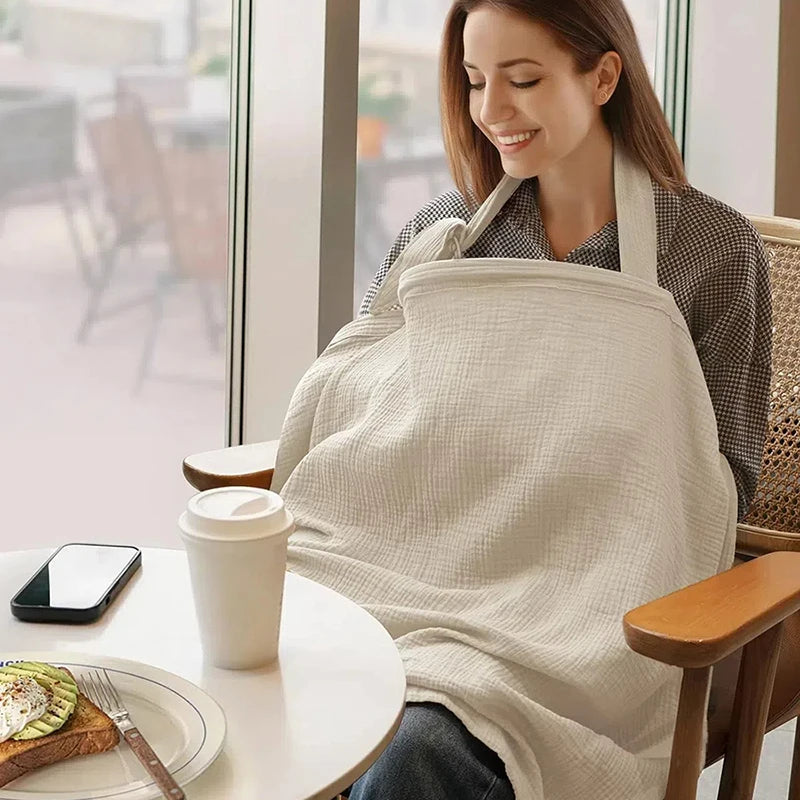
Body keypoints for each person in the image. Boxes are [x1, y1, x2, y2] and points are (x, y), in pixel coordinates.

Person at [273, 1, 773, 798]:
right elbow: (363, 403)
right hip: (399, 579)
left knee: (418, 750)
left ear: (603, 74)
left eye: (524, 79)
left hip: (577, 620)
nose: (491, 111)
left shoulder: (710, 249)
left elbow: (721, 483)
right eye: (475, 82)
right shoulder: (443, 236)